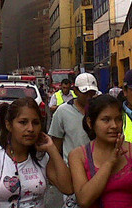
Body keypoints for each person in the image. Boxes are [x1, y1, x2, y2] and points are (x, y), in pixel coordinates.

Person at [0, 97, 73, 208]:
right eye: (23, 122)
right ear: (9, 125)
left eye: (35, 123)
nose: (30, 128)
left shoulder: (42, 158)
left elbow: (67, 188)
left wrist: (52, 149)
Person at [69, 94, 132, 208]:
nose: (114, 125)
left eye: (118, 119)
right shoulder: (78, 155)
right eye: (106, 120)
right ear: (90, 123)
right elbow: (84, 200)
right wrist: (110, 162)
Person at [48, 72, 99, 207]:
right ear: (75, 90)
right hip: (73, 174)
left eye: (92, 93)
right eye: (85, 93)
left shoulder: (99, 111)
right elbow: (55, 145)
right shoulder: (63, 112)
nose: (89, 97)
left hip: (98, 171)